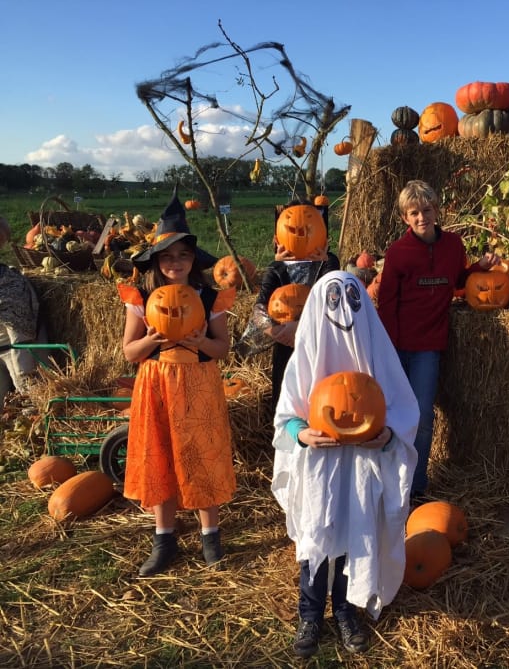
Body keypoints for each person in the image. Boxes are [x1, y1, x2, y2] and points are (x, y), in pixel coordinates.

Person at [272, 270, 419, 659]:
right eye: (333, 300)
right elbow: (285, 417)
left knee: (356, 533)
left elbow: (404, 411)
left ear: (364, 307)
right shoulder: (306, 357)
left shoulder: (379, 357)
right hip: (320, 467)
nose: (344, 311)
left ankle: (345, 610)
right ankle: (310, 614)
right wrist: (301, 433)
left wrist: (388, 435)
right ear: (319, 307)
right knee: (317, 537)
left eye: (353, 300)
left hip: (361, 468)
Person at [118, 190, 237, 577]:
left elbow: (222, 348)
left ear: (193, 259)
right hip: (156, 384)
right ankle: (164, 538)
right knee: (160, 455)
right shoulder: (142, 297)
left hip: (199, 384)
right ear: (156, 260)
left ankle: (210, 536)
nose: (175, 262)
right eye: (167, 256)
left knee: (203, 456)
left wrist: (201, 342)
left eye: (183, 255)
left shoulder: (209, 297)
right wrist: (151, 340)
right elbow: (130, 352)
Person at [376, 179, 500, 499]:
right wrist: (388, 351)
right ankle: (386, 480)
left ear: (436, 211)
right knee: (390, 415)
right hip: (397, 346)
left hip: (428, 347)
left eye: (427, 210)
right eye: (414, 213)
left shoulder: (453, 245)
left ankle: (415, 486)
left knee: (422, 416)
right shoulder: (398, 253)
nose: (422, 217)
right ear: (405, 218)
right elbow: (386, 304)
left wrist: (478, 269)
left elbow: (456, 281)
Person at [252, 200, 338, 408]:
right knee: (288, 403)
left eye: (309, 229)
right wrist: (278, 331)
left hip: (319, 345)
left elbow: (333, 302)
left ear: (323, 235)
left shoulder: (329, 263)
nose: (300, 234)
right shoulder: (276, 268)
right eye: (292, 230)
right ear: (277, 238)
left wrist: (300, 327)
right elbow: (259, 309)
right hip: (286, 346)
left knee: (321, 402)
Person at [0, 217, 41, 404]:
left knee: (24, 386)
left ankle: (30, 405)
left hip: (9, 348)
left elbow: (19, 339)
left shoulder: (12, 285)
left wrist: (24, 378)